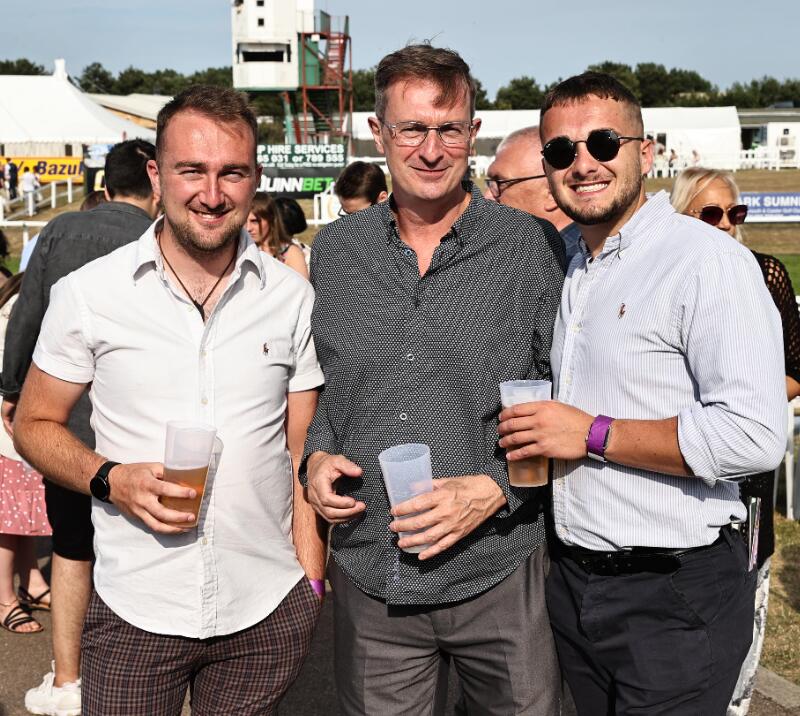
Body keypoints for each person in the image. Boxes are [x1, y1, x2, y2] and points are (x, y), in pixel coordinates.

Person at [13, 84, 325, 716]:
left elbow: (303, 451)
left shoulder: (290, 297)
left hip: (264, 609)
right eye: (191, 170)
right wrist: (111, 479)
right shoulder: (90, 294)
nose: (212, 194)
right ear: (156, 176)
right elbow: (33, 423)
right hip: (136, 607)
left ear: (255, 178)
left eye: (232, 172)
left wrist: (310, 585)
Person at [497, 71, 785, 715]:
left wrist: (592, 433)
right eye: (561, 151)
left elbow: (754, 435)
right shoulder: (565, 258)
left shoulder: (707, 262)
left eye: (604, 143)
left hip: (675, 592)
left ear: (646, 153)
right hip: (572, 585)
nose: (583, 164)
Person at [301, 44, 565, 715]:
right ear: (377, 132)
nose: (430, 150)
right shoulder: (335, 252)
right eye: (412, 128)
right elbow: (332, 390)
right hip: (374, 570)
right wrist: (316, 459)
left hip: (498, 566)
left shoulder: (528, 246)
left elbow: (565, 396)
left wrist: (499, 488)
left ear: (473, 133)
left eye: (448, 129)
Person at [1, 139, 160, 716]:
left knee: (71, 547)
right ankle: (139, 674)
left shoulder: (61, 230)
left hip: (67, 421)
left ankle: (68, 678)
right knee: (146, 547)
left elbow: (27, 315)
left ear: (104, 186)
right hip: (143, 422)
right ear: (155, 182)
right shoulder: (162, 235)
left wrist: (12, 391)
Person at [670, 166, 800, 716]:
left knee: (740, 621)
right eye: (711, 213)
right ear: (681, 215)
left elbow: (795, 369)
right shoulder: (666, 276)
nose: (726, 224)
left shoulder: (764, 271)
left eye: (735, 213)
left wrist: (743, 405)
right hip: (678, 467)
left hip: (746, 472)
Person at [0, 272, 52, 635]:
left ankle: (31, 581)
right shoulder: (21, 299)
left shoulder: (22, 288)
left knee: (23, 510)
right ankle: (4, 598)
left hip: (20, 420)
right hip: (9, 423)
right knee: (7, 519)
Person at [484, 125, 581, 263]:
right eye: (490, 183)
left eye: (500, 182)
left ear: (552, 193)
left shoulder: (570, 265)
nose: (487, 196)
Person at [246, 191, 309, 279]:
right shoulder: (240, 250)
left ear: (271, 219)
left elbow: (302, 287)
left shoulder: (290, 253)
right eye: (244, 221)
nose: (248, 228)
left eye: (255, 221)